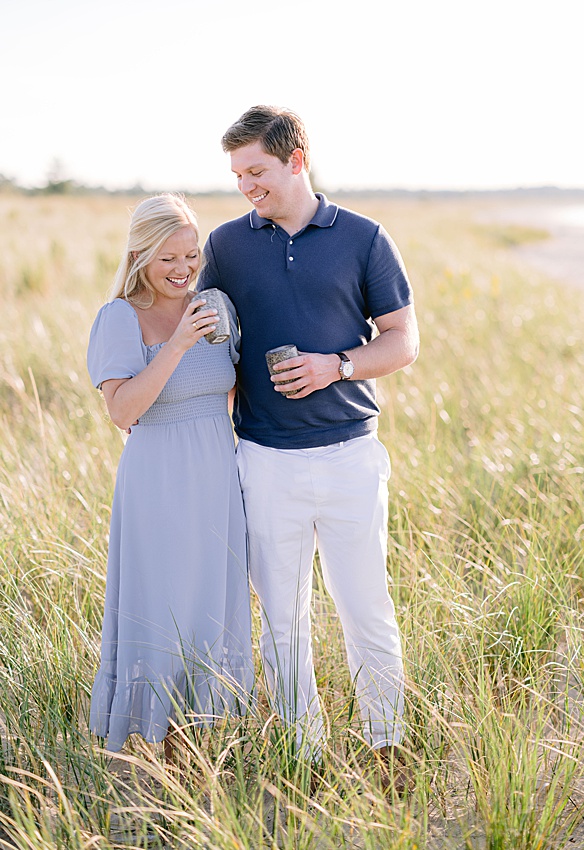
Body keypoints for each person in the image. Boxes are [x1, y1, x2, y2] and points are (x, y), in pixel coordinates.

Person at [197, 106, 419, 765]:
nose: (246, 187)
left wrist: (338, 366)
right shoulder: (226, 246)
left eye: (257, 171)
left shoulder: (364, 237)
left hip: (351, 455)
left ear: (297, 159)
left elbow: (404, 341)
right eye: (237, 175)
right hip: (264, 459)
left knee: (366, 608)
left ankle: (388, 746)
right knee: (281, 622)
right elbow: (208, 336)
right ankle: (305, 755)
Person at [87, 193, 254, 755]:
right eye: (168, 260)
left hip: (217, 477)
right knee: (161, 607)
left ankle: (201, 746)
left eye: (191, 256)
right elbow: (122, 411)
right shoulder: (119, 318)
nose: (183, 271)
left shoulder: (216, 305)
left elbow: (229, 389)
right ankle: (150, 749)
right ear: (139, 256)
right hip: (157, 483)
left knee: (212, 605)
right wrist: (177, 344)